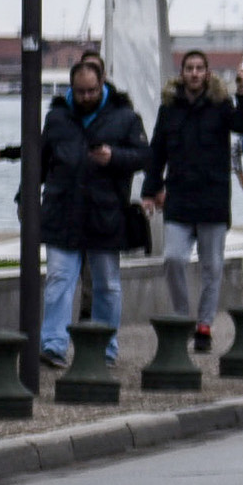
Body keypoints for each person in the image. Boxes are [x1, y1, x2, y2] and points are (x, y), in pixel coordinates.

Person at [38, 51, 146, 369]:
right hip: (62, 210)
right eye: (80, 91)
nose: (86, 97)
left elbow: (144, 155)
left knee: (107, 284)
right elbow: (41, 160)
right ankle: (53, 345)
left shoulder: (125, 117)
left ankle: (105, 347)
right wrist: (24, 196)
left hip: (105, 212)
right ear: (71, 88)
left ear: (102, 86)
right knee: (59, 278)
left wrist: (114, 158)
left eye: (92, 91)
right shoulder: (57, 118)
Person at [141, 48, 243, 348]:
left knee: (212, 267)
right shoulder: (169, 109)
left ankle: (204, 325)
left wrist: (242, 90)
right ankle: (181, 317)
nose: (195, 73)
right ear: (182, 72)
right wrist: (150, 190)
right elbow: (157, 152)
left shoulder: (221, 105)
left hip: (213, 199)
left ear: (207, 73)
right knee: (173, 258)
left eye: (200, 68)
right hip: (180, 199)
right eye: (190, 68)